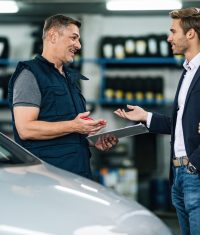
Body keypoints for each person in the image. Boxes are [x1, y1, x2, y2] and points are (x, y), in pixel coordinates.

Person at [114, 7, 200, 235]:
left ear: (190, 33)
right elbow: (183, 125)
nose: (169, 37)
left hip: (194, 173)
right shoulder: (188, 71)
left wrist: (194, 164)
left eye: (173, 31)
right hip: (179, 175)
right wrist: (145, 117)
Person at [8, 14, 118, 179]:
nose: (78, 45)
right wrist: (74, 126)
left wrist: (92, 140)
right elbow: (25, 129)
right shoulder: (30, 75)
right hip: (47, 179)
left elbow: (66, 132)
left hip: (77, 174)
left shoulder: (69, 78)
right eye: (73, 38)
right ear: (52, 36)